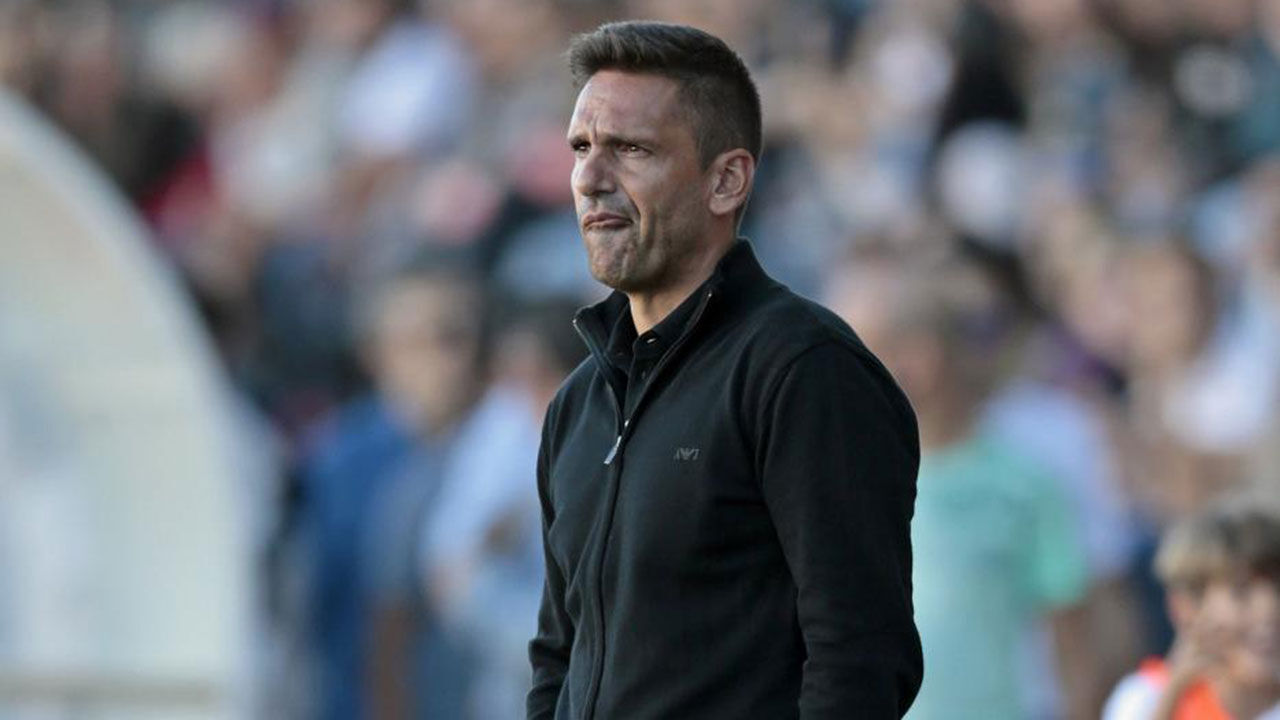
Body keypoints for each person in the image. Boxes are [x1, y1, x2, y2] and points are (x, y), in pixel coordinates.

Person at [527, 21, 922, 719]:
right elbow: (559, 657)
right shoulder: (577, 403)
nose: (590, 179)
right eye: (582, 148)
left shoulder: (803, 370)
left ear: (727, 180)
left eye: (631, 149)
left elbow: (860, 659)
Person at [1102, 499, 1280, 720]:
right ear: (1186, 608)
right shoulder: (1143, 699)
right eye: (1241, 591)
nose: (1270, 609)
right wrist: (1173, 696)